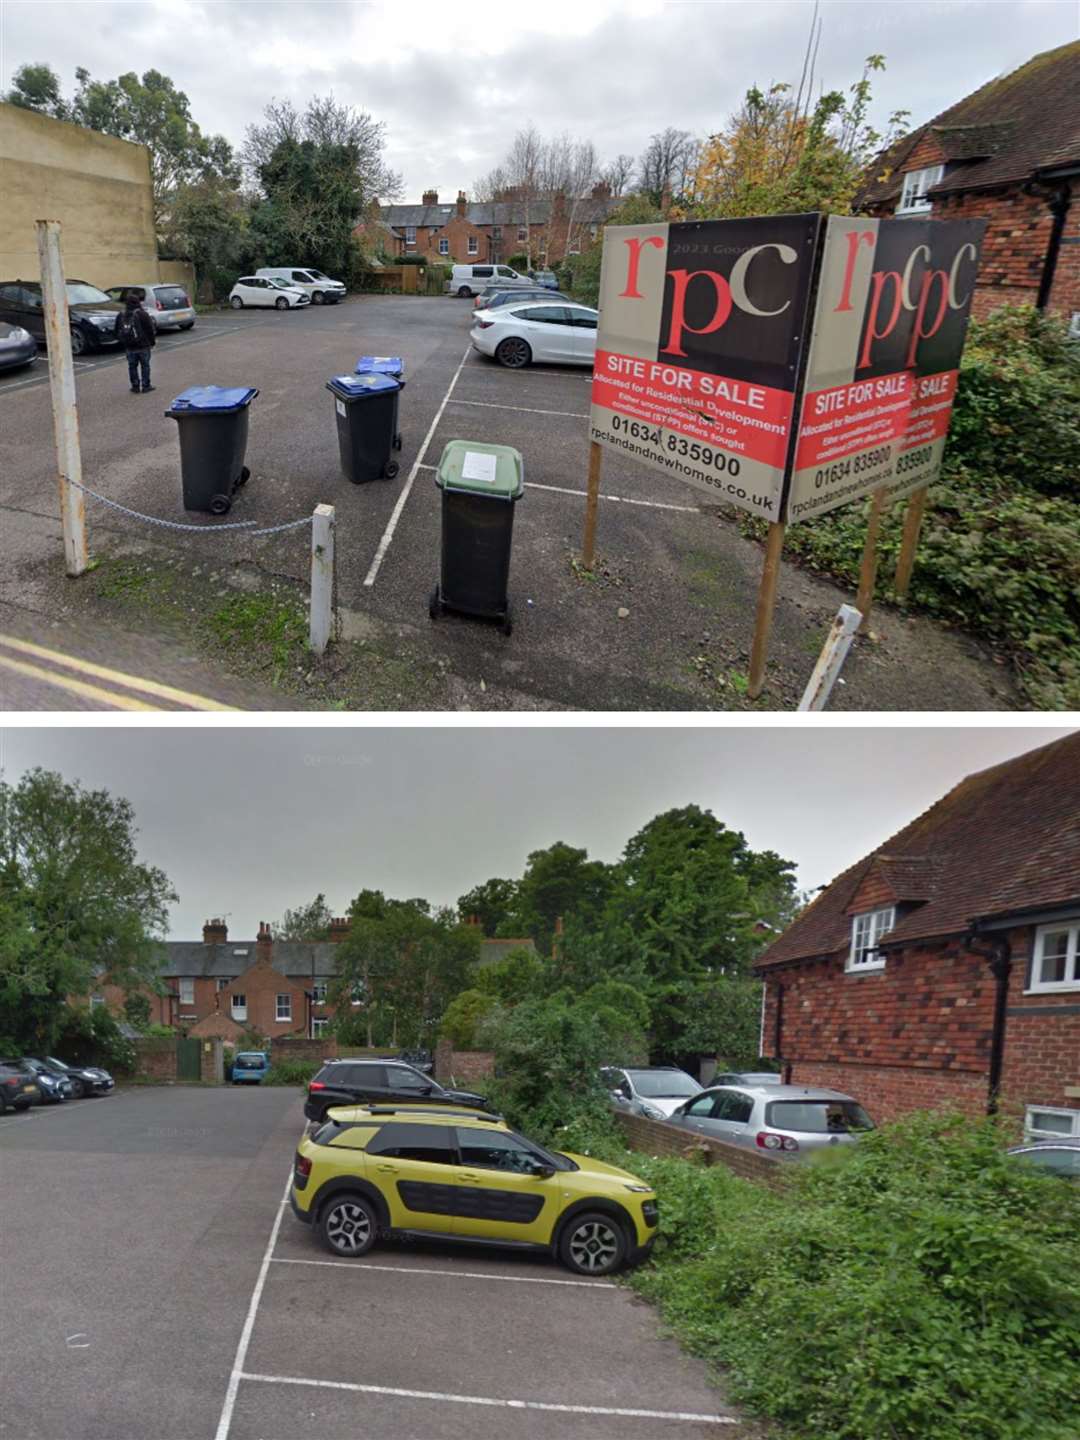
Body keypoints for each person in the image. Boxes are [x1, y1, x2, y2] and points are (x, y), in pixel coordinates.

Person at [114, 288, 155, 393]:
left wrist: (123, 341)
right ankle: (146, 386)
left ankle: (135, 386)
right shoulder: (142, 314)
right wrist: (152, 342)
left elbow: (117, 330)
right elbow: (150, 330)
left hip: (129, 347)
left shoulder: (121, 315)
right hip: (143, 346)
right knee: (145, 365)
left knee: (132, 366)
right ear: (138, 302)